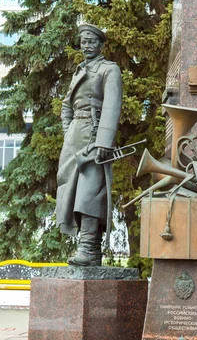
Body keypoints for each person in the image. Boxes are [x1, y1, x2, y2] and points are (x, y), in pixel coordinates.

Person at [56, 23, 122, 266]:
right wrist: (68, 131)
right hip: (75, 137)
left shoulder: (109, 70)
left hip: (95, 136)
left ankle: (87, 246)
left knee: (91, 191)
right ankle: (91, 252)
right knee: (72, 191)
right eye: (84, 42)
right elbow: (66, 106)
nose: (87, 46)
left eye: (92, 41)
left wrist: (104, 140)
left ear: (101, 44)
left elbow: (112, 106)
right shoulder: (78, 71)